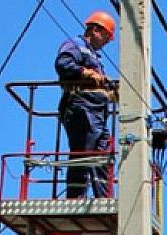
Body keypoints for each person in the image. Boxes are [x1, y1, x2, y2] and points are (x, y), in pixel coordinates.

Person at [54, 11, 116, 198]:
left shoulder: (95, 56)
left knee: (101, 155)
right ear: (95, 30)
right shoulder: (75, 45)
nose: (106, 42)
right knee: (83, 153)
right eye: (106, 36)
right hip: (81, 108)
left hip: (96, 113)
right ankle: (75, 197)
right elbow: (63, 64)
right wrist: (85, 73)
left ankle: (103, 197)